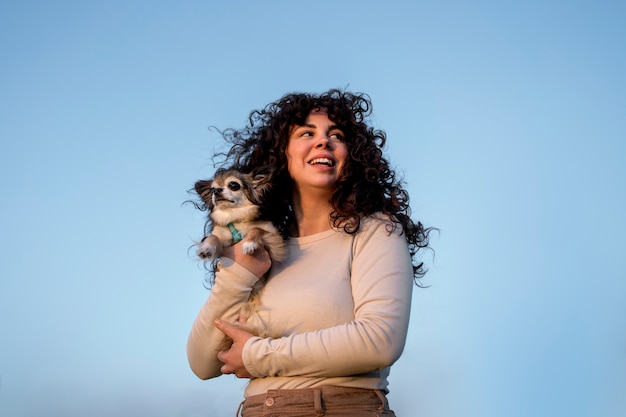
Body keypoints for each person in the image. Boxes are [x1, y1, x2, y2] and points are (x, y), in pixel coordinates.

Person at [187, 89, 433, 416]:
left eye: (336, 135)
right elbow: (203, 363)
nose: (323, 141)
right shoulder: (255, 248)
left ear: (352, 156)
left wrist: (257, 356)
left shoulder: (375, 230)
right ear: (281, 155)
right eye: (307, 133)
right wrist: (238, 275)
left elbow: (380, 340)